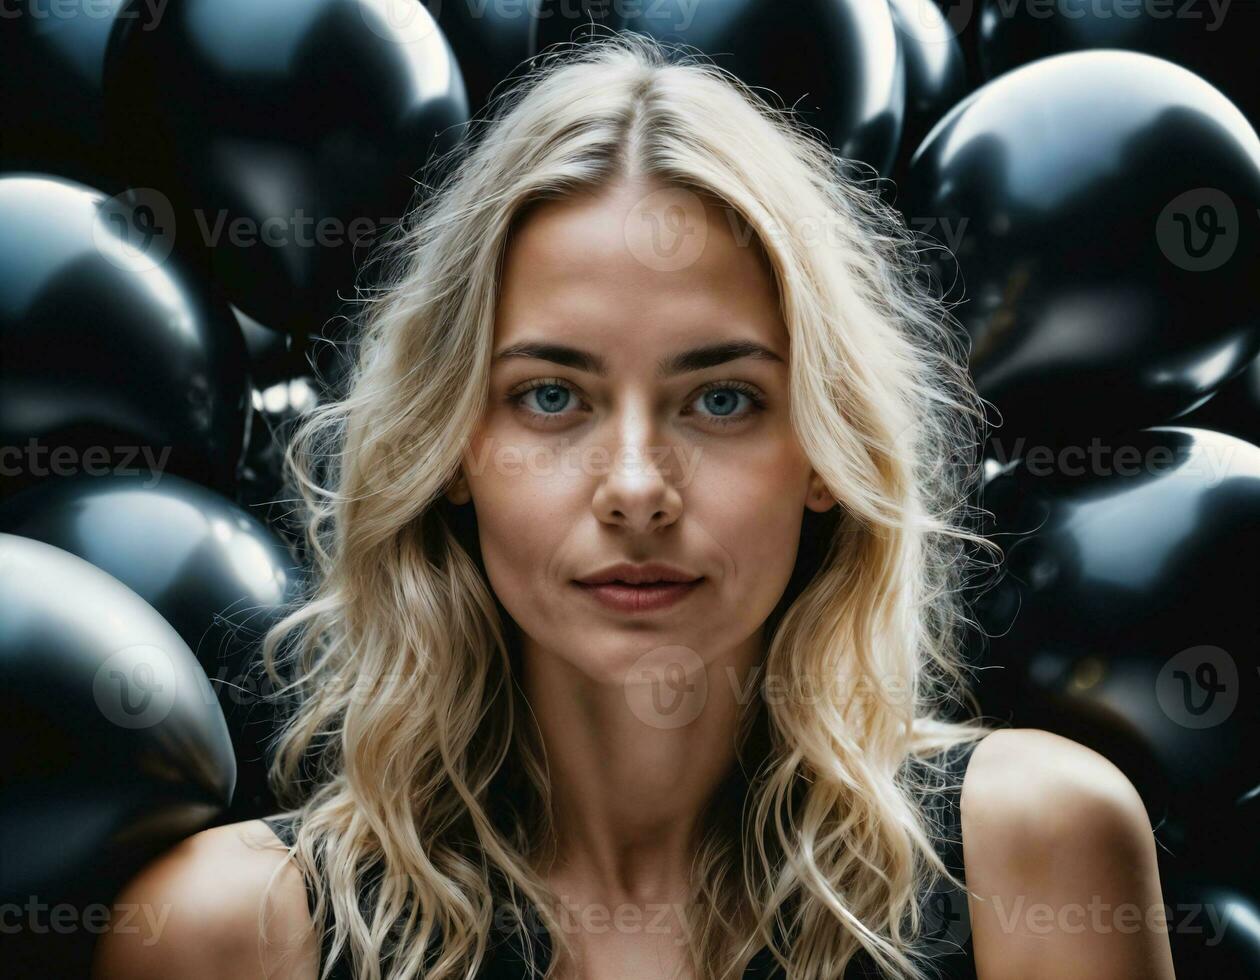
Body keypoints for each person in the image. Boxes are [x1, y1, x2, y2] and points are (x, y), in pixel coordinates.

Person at [92, 32, 1176, 980]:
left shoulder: (1028, 854)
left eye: (721, 398)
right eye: (551, 396)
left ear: (825, 450)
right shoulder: (236, 933)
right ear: (454, 445)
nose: (636, 487)